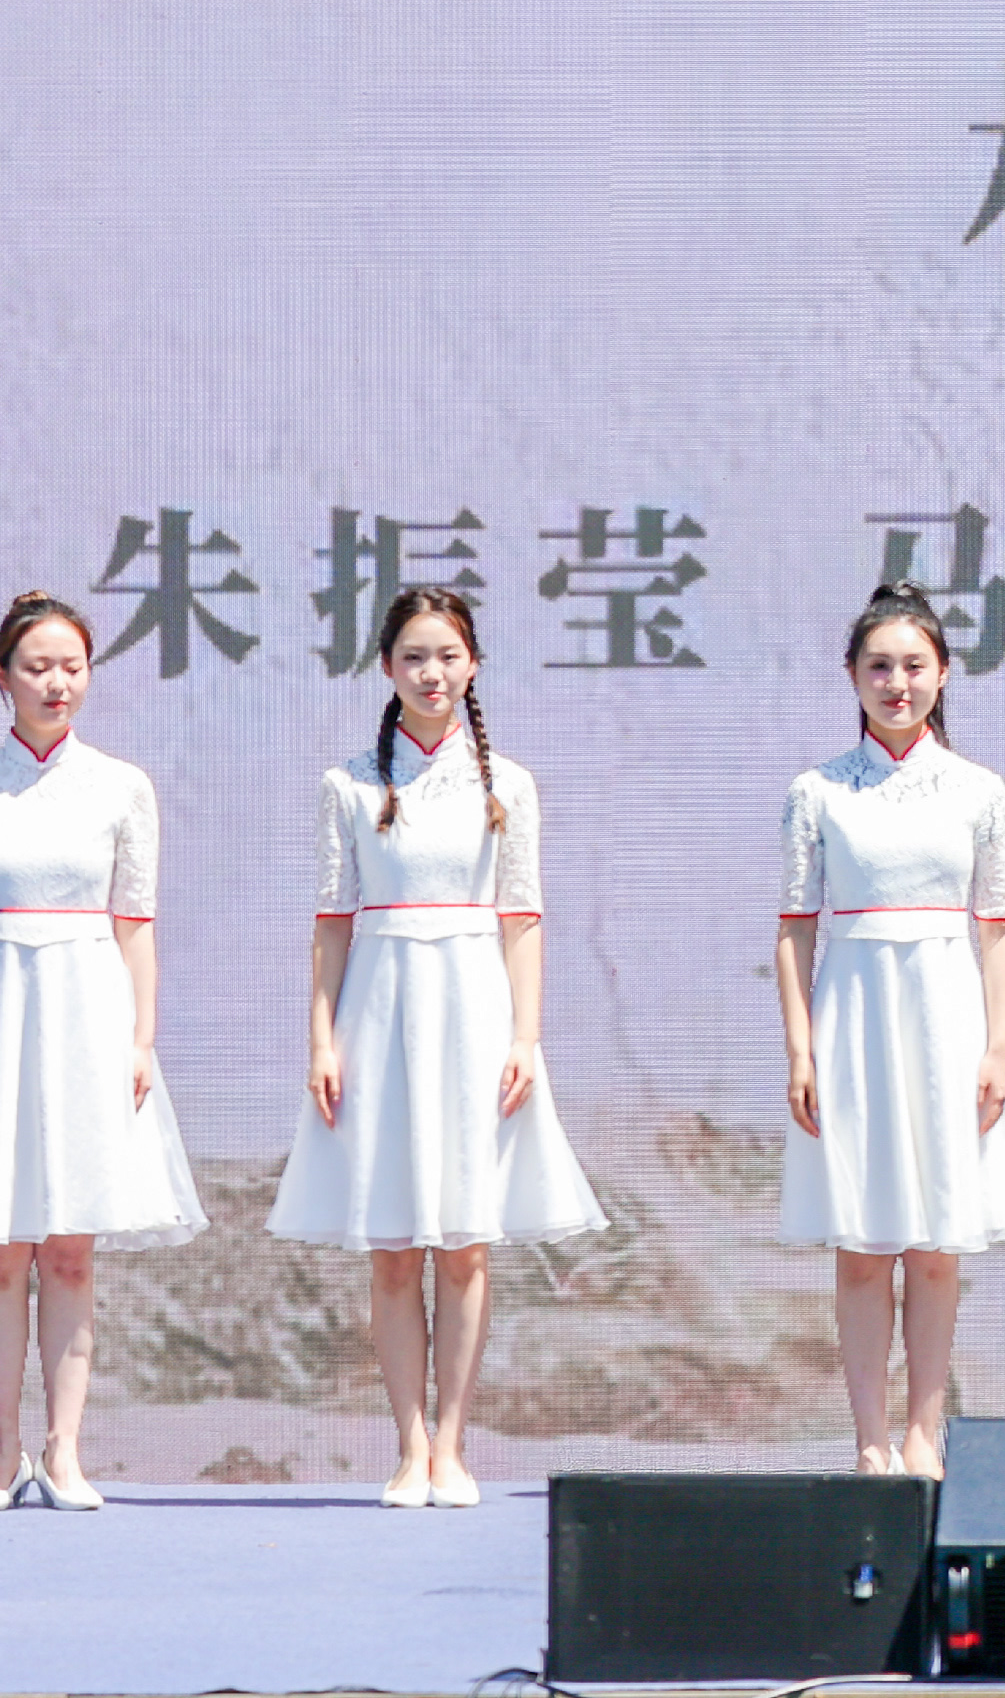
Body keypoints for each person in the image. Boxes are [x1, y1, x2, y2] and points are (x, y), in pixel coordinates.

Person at [267, 588, 607, 1509]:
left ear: (474, 664)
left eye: (449, 655)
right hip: (379, 1012)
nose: (432, 673)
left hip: (474, 1014)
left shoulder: (508, 785)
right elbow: (333, 925)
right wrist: (321, 1039)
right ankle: (408, 1444)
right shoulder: (349, 783)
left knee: (464, 1243)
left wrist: (526, 1036)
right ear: (386, 667)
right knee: (392, 1247)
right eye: (414, 656)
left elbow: (522, 920)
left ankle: (453, 1444)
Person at [777, 582, 1005, 1479]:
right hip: (853, 1019)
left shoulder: (979, 790)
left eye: (914, 666)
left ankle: (926, 1431)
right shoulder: (818, 790)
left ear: (943, 674)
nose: (897, 684)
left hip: (947, 1019)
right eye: (879, 666)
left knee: (935, 1242)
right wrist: (801, 1048)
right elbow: (795, 928)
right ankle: (870, 1438)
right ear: (852, 675)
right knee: (863, 1245)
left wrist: (998, 1046)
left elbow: (1000, 926)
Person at [0, 593, 201, 1513]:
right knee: (5, 1250)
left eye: (72, 666)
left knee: (70, 1250)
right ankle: (3, 1452)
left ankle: (65, 1448)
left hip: (87, 1014)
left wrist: (140, 1038)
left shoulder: (122, 786)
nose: (57, 682)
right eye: (37, 666)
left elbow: (135, 923)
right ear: (5, 678)